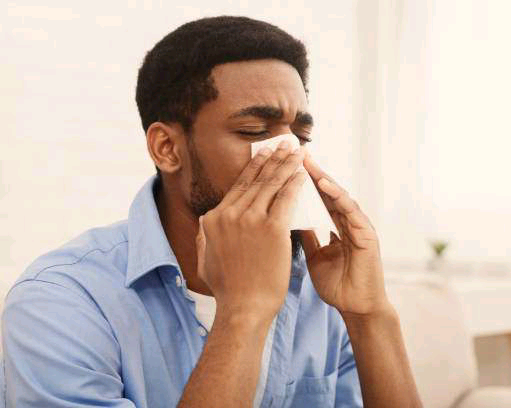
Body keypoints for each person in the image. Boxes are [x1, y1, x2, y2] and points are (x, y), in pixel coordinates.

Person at [1, 16, 422, 408]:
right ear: (167, 149)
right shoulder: (60, 303)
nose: (290, 157)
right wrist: (243, 313)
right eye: (254, 132)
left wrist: (370, 316)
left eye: (301, 136)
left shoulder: (320, 290)